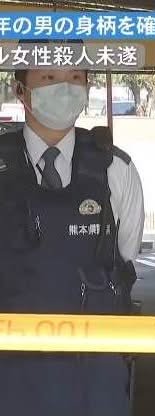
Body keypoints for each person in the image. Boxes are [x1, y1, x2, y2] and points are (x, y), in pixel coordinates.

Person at [0, 64, 145, 416]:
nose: (64, 88)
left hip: (95, 374)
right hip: (10, 373)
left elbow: (125, 254)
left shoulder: (116, 168)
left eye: (75, 78)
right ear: (20, 91)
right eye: (49, 78)